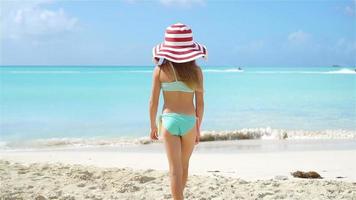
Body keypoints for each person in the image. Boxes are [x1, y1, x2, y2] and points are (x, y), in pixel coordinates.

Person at [149, 23, 207, 200]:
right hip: (190, 121)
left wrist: (152, 126)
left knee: (174, 170)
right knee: (184, 166)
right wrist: (198, 128)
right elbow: (201, 105)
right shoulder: (196, 72)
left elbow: (153, 102)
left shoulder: (160, 70)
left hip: (169, 120)